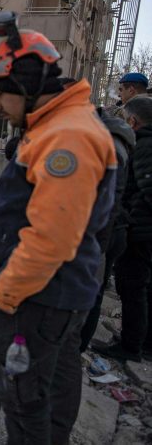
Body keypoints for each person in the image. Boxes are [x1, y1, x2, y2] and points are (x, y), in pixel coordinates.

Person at [0, 12, 117, 445]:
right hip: (48, 291)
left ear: (25, 83)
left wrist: (6, 296)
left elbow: (52, 238)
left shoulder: (67, 137)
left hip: (38, 295)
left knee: (25, 403)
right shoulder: (55, 124)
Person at [94, 96, 152, 362]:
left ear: (132, 121)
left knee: (133, 288)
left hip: (140, 233)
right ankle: (137, 340)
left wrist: (131, 215)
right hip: (139, 229)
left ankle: (132, 347)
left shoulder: (145, 147)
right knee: (135, 288)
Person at [79, 101, 135, 353]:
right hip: (113, 233)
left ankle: (76, 348)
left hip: (102, 238)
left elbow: (103, 202)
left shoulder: (107, 147)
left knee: (89, 299)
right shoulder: (116, 142)